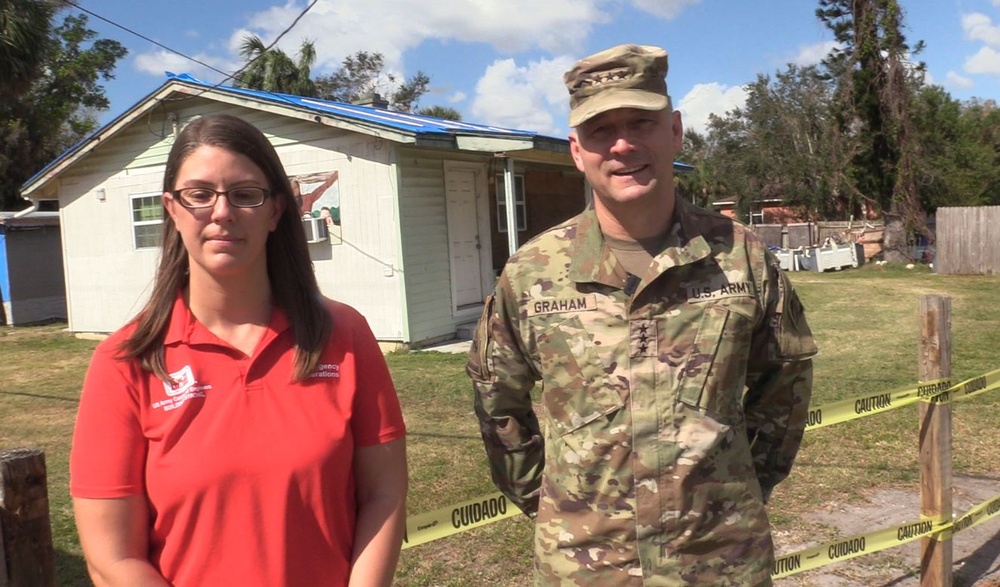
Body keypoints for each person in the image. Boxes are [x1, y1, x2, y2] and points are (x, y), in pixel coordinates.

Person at [466, 44, 817, 585]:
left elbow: (785, 382)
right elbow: (497, 400)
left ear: (674, 131)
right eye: (601, 130)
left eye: (641, 122)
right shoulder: (533, 271)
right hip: (585, 565)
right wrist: (552, 502)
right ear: (576, 150)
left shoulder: (741, 256)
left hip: (719, 559)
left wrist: (743, 487)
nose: (624, 143)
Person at [70, 114, 407, 587]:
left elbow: (384, 495)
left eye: (245, 194)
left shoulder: (343, 334)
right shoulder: (126, 360)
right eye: (200, 194)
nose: (222, 212)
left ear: (275, 212)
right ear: (172, 208)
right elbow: (113, 556)